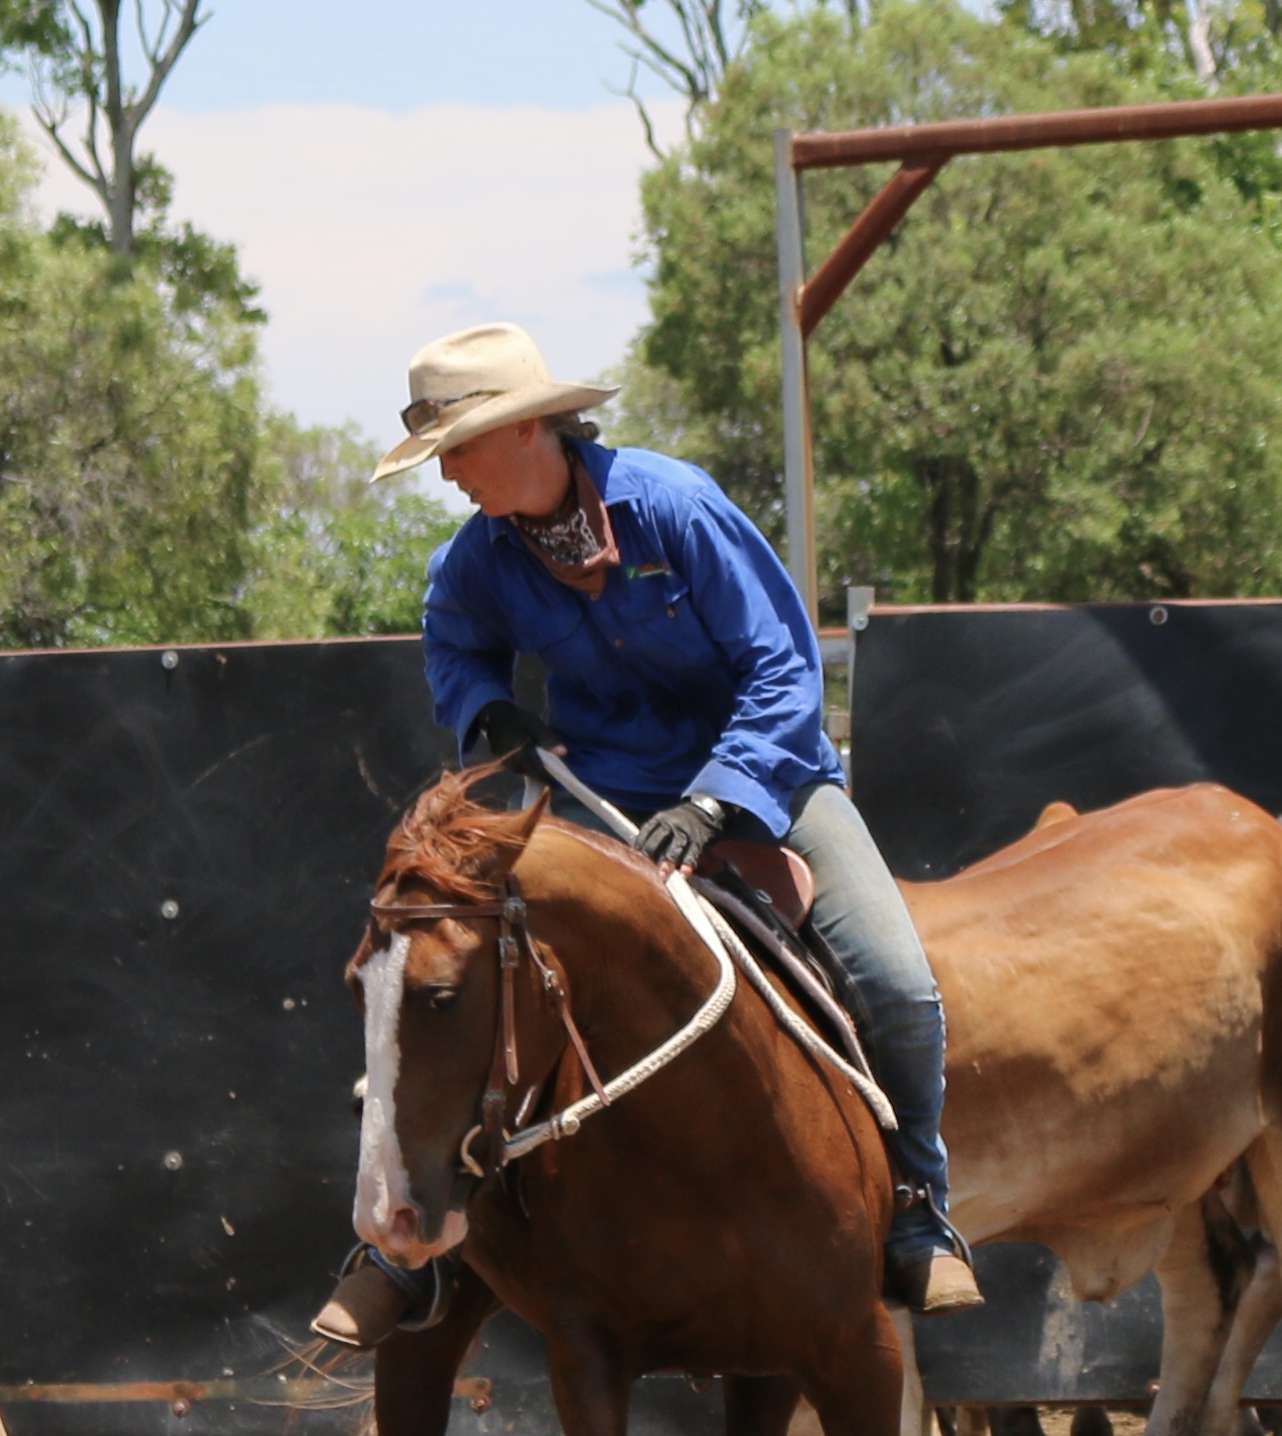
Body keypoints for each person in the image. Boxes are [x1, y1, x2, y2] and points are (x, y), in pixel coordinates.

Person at [316, 321, 979, 1348]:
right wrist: (488, 710)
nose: (446, 473)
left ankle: (919, 1210)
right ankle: (401, 1255)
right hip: (602, 790)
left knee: (897, 984)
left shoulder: (676, 507)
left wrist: (714, 797)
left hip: (772, 783)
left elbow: (783, 668)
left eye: (457, 448)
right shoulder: (479, 557)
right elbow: (454, 641)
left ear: (529, 429)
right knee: (457, 974)